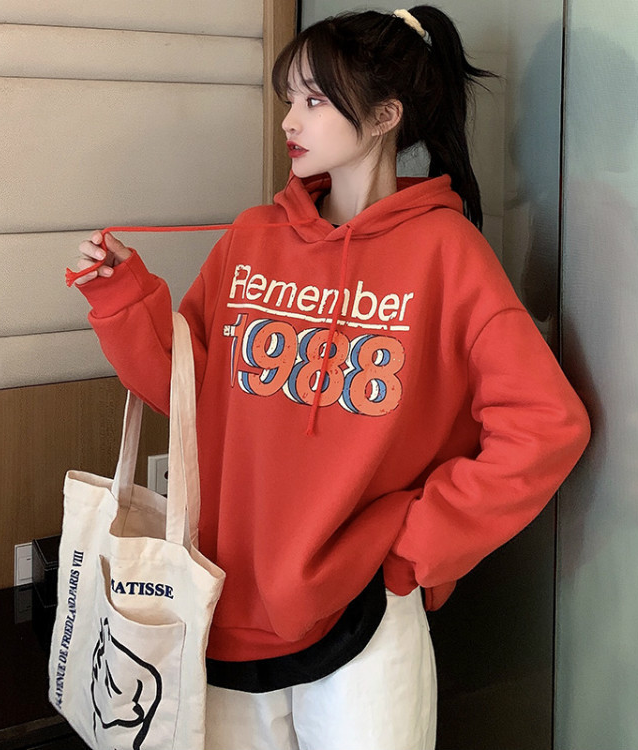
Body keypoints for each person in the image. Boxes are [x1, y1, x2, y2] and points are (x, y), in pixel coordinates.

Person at [72, 6, 590, 749]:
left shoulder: (447, 253)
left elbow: (546, 425)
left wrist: (415, 546)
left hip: (367, 610)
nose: (290, 120)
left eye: (314, 100)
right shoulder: (253, 237)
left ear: (384, 116)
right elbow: (186, 393)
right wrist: (121, 295)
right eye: (290, 98)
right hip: (223, 599)